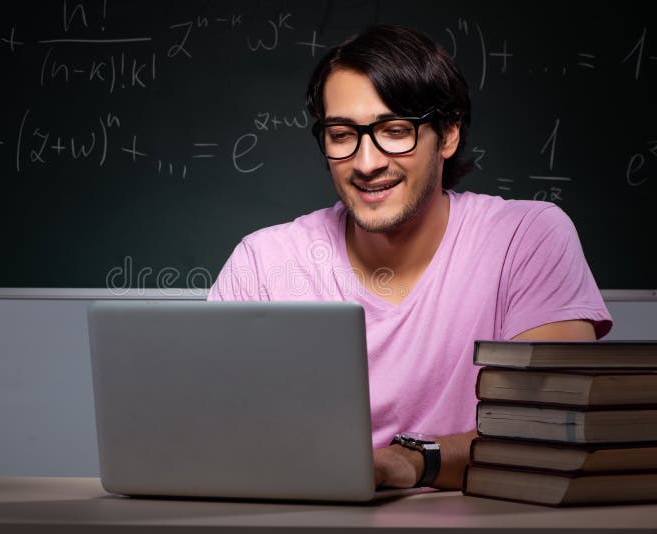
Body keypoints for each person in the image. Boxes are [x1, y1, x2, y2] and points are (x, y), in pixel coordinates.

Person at [207, 25, 612, 490]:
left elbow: (556, 426)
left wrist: (413, 461)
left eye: (394, 131)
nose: (366, 162)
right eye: (342, 135)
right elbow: (213, 426)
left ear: (449, 134)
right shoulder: (264, 260)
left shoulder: (527, 237)